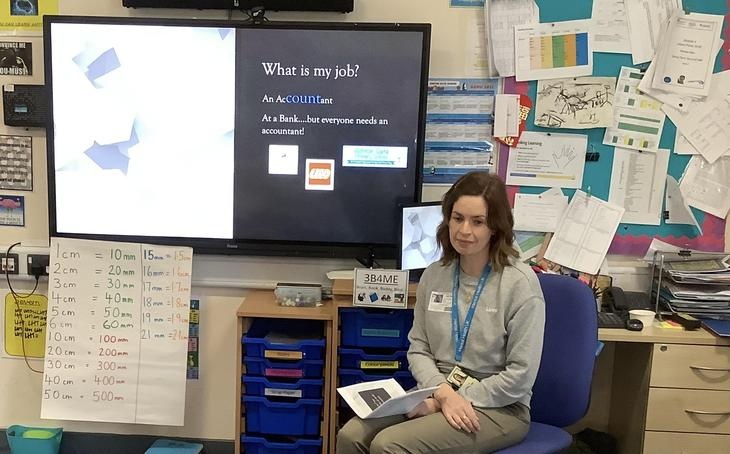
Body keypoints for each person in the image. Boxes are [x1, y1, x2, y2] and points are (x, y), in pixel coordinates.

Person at [337, 172, 545, 454]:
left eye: (478, 221)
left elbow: (520, 376)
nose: (464, 231)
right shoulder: (436, 274)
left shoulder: (520, 284)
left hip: (500, 406)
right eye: (457, 218)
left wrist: (446, 399)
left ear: (495, 227)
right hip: (437, 390)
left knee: (389, 446)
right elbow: (419, 348)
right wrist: (443, 394)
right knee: (351, 436)